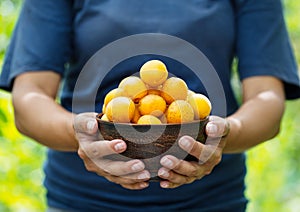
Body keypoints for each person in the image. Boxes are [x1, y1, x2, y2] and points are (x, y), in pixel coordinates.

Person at [1, 0, 300, 211]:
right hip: (85, 200)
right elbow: (30, 98)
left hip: (210, 201)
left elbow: (267, 98)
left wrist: (226, 132)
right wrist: (82, 133)